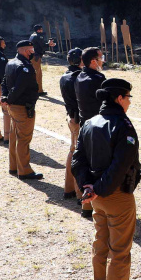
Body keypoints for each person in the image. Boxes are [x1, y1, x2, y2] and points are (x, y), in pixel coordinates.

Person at [72, 78, 141, 280]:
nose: (130, 102)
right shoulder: (122, 124)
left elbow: (77, 159)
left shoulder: (90, 122)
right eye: (128, 97)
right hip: (115, 195)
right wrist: (100, 188)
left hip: (96, 195)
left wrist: (87, 187)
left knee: (100, 246)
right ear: (119, 98)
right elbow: (120, 165)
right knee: (120, 251)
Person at [1, 40, 42, 180]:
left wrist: (5, 97)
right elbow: (19, 88)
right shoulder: (24, 67)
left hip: (14, 106)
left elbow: (4, 82)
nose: (33, 52)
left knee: (13, 137)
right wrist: (9, 99)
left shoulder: (11, 63)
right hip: (23, 106)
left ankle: (14, 166)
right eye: (32, 49)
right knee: (23, 139)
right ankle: (24, 170)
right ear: (26, 51)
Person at [60, 48, 92, 218]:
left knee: (73, 151)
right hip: (79, 119)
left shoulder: (65, 75)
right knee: (81, 155)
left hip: (71, 116)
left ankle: (69, 188)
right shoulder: (78, 77)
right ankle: (80, 193)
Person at [75, 47, 106, 126]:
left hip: (84, 123)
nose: (103, 61)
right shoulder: (97, 79)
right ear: (93, 61)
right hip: (97, 124)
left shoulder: (79, 76)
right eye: (101, 58)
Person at [29, 24, 55, 95]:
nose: (42, 30)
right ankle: (39, 91)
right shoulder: (38, 36)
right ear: (39, 30)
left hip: (32, 56)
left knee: (33, 73)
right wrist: (49, 44)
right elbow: (43, 46)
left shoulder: (32, 35)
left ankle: (33, 89)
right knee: (38, 74)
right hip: (36, 57)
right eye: (41, 29)